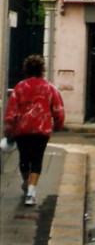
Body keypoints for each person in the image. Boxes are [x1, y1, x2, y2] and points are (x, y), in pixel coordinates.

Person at [3, 54, 65, 206]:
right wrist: (57, 125)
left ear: (26, 70)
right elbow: (58, 109)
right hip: (41, 129)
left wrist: (9, 129)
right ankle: (31, 192)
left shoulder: (20, 87)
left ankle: (26, 183)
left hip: (22, 130)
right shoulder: (49, 87)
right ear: (42, 70)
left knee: (24, 159)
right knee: (37, 159)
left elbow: (11, 111)